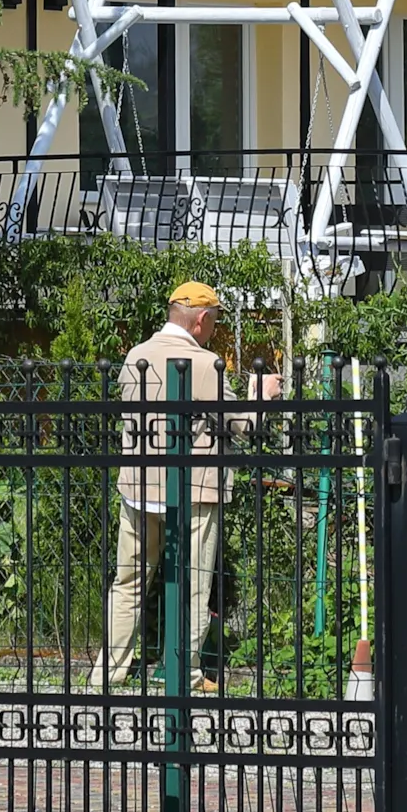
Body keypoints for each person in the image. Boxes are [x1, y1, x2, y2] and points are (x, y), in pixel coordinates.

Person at [103, 280, 251, 691]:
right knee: (193, 583)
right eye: (215, 322)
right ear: (202, 319)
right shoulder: (204, 365)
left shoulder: (135, 357)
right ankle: (184, 671)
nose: (214, 330)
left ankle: (109, 671)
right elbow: (242, 424)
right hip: (193, 491)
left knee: (128, 583)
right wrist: (262, 392)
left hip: (138, 488)